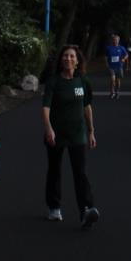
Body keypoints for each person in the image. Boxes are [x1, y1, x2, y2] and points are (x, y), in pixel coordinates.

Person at [42, 44, 99, 229]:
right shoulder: (54, 82)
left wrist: (91, 131)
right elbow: (46, 108)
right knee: (54, 170)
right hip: (56, 134)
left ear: (77, 61)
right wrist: (48, 128)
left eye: (72, 56)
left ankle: (86, 210)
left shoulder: (83, 82)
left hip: (77, 134)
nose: (68, 59)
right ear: (61, 60)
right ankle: (54, 207)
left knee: (80, 172)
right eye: (65, 56)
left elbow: (87, 107)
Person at [104, 33, 129, 98]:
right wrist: (106, 63)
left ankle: (117, 92)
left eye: (116, 40)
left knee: (118, 81)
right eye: (114, 40)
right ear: (112, 40)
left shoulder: (121, 48)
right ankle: (112, 92)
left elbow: (126, 55)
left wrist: (124, 59)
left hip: (119, 66)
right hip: (111, 67)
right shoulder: (109, 48)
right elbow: (106, 57)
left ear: (118, 40)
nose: (115, 41)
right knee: (112, 80)